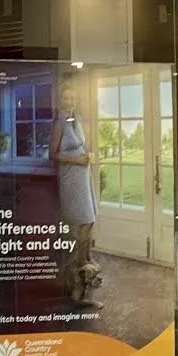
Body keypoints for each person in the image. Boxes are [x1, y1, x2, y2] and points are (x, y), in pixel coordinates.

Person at [49, 77, 100, 307]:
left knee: (88, 223)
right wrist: (77, 160)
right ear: (61, 100)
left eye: (73, 97)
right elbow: (52, 155)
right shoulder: (58, 123)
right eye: (66, 97)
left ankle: (83, 278)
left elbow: (81, 148)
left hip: (83, 178)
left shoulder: (76, 120)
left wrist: (87, 157)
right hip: (70, 180)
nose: (70, 101)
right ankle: (73, 288)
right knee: (74, 233)